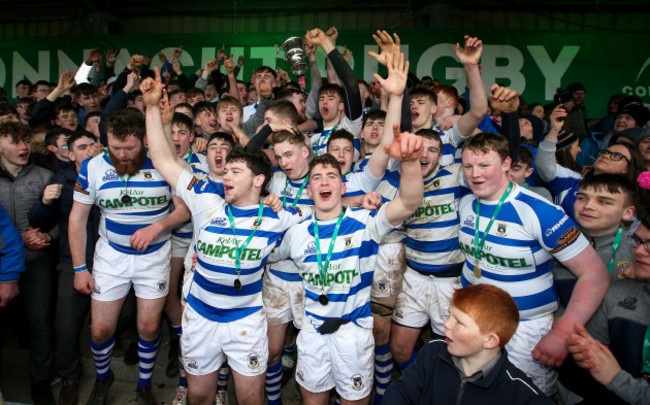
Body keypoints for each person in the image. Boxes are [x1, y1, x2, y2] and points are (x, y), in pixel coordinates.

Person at [140, 67, 309, 405]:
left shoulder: (277, 218)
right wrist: (149, 107)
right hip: (200, 315)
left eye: (236, 171)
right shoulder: (206, 200)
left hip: (245, 321)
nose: (226, 176)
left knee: (250, 398)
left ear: (259, 181)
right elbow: (161, 158)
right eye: (225, 169)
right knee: (200, 396)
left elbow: (321, 202)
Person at [270, 122, 424, 405]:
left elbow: (409, 202)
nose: (324, 182)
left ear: (342, 186)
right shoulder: (296, 233)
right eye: (317, 178)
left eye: (331, 176)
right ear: (310, 189)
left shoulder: (366, 223)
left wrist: (411, 162)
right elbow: (263, 255)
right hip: (313, 332)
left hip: (353, 334)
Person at [457, 131, 611, 396]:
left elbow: (595, 275)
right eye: (468, 166)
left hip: (524, 328)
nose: (474, 174)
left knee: (524, 399)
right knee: (476, 393)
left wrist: (562, 334)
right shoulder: (468, 203)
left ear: (506, 164)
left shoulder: (540, 211)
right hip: (474, 322)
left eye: (484, 165)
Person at [69, 108, 191, 404]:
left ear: (145, 140)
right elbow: (77, 219)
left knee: (148, 327)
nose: (122, 155)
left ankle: (145, 385)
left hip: (155, 255)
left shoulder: (165, 163)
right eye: (115, 148)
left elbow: (186, 210)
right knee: (100, 330)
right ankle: (103, 377)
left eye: (130, 148)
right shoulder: (93, 166)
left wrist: (157, 227)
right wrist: (79, 268)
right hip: (111, 256)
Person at [28, 131, 103, 405]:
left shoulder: (112, 176)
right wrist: (45, 201)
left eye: (91, 145)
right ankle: (71, 378)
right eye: (80, 148)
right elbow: (36, 219)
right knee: (65, 327)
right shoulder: (60, 181)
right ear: (70, 155)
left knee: (124, 315)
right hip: (71, 262)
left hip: (109, 263)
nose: (88, 151)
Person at [383, 284, 550, 404]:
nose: (446, 324)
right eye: (449, 316)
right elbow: (400, 391)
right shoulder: (433, 352)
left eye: (459, 322)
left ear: (490, 340)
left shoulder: (520, 394)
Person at [559, 203, 650, 405]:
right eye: (637, 241)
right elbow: (593, 359)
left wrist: (616, 378)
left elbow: (610, 376)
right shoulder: (619, 292)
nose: (640, 252)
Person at [0, 121, 58, 403]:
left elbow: (65, 219)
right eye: (14, 142)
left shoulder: (46, 176)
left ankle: (41, 381)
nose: (22, 147)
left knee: (40, 323)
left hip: (36, 261)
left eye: (25, 141)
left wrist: (47, 235)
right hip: (2, 265)